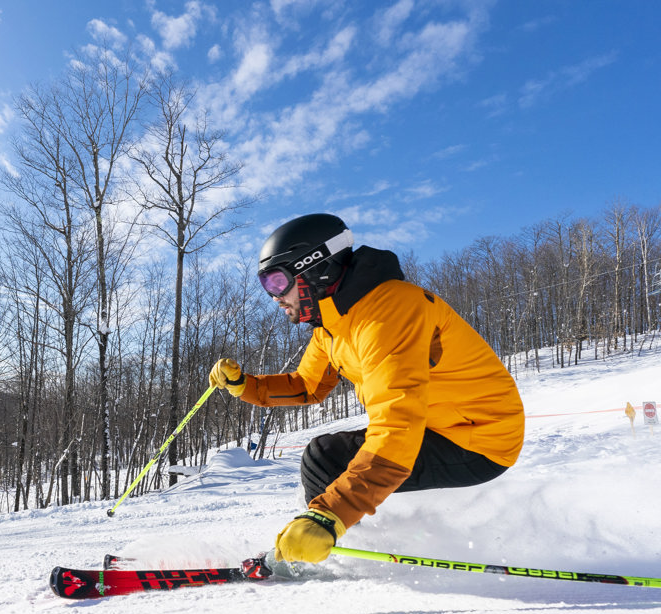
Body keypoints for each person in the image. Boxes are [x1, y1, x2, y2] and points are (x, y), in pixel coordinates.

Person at [209, 213, 525, 564]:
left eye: (277, 282)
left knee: (325, 459)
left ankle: (325, 545)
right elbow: (306, 385)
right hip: (437, 427)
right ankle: (327, 542)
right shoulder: (332, 324)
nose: (274, 298)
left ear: (316, 269)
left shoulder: (388, 313)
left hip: (479, 437)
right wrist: (244, 385)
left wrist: (331, 513)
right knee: (326, 455)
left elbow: (397, 425)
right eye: (266, 285)